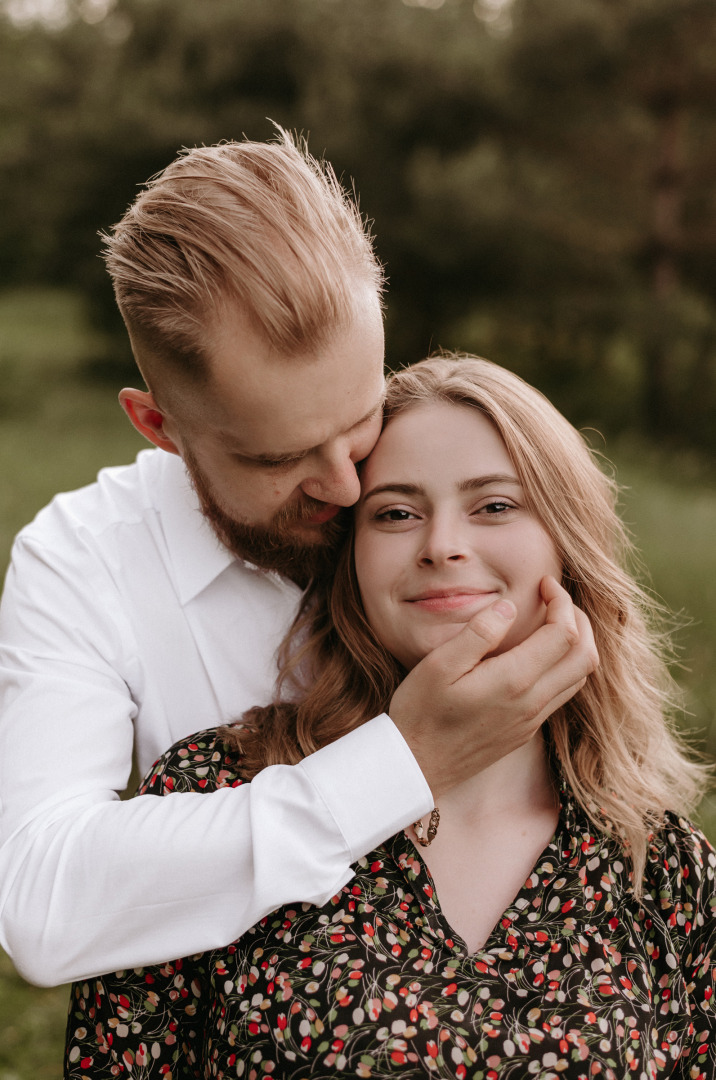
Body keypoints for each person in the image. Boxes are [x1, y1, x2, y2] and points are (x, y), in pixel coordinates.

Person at [0, 134, 596, 988]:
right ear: (158, 426)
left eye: (360, 418)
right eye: (279, 461)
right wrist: (402, 764)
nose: (351, 488)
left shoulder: (440, 504)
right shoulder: (86, 559)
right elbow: (42, 902)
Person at [65, 355, 715, 1079]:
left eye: (495, 505)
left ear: (569, 546)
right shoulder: (218, 790)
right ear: (352, 561)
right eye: (397, 514)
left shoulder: (664, 871)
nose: (441, 545)